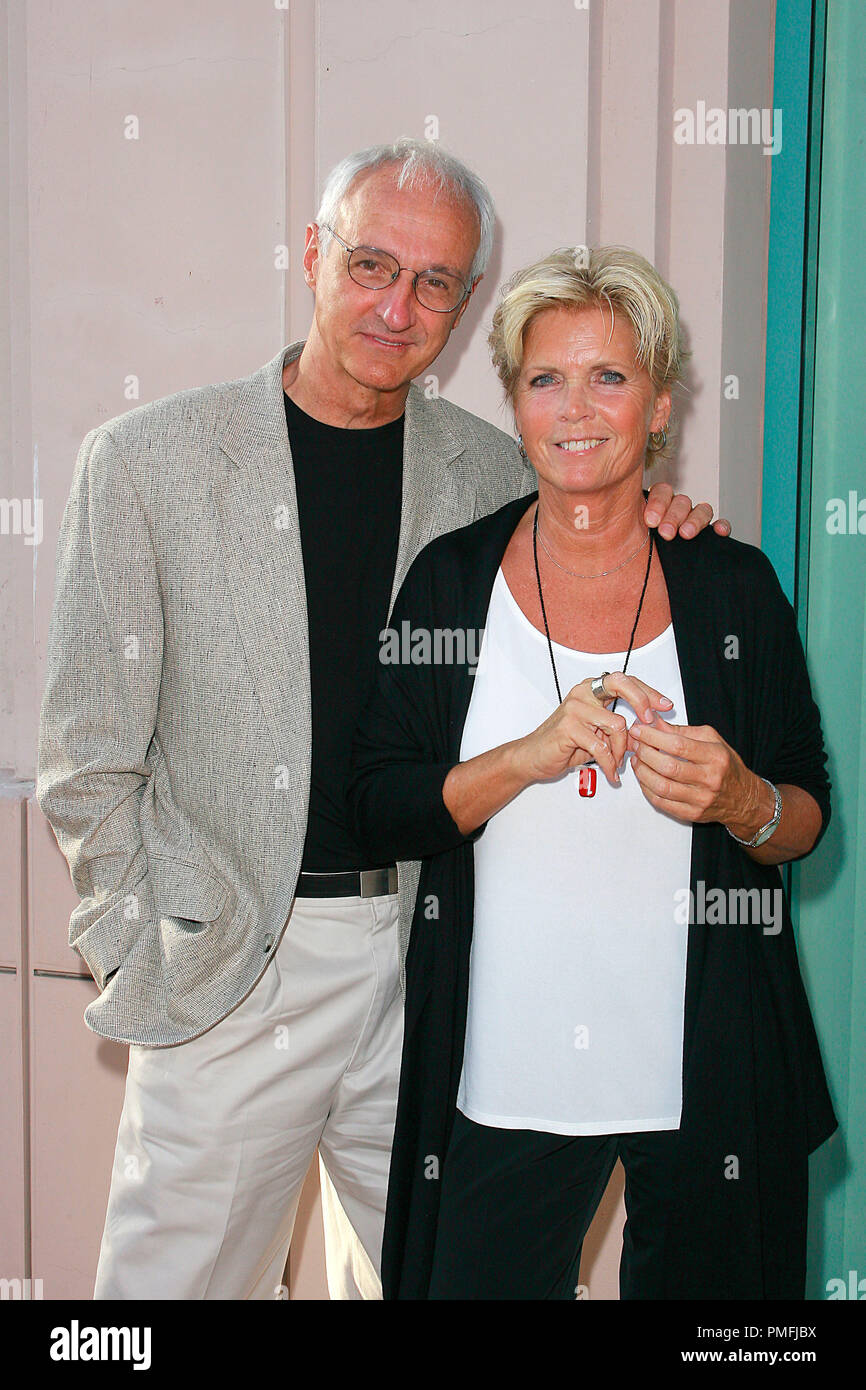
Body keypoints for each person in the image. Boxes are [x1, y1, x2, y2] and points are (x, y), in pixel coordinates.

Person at [36, 139, 724, 1302]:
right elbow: (84, 757)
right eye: (368, 264)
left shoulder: (495, 471)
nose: (396, 306)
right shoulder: (147, 463)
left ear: (463, 304)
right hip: (225, 964)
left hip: (428, 963)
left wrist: (652, 510)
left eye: (434, 282)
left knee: (441, 1283)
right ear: (311, 257)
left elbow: (598, 529)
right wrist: (141, 939)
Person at [347, 244, 836, 1300]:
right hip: (502, 1077)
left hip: (703, 1083)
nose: (576, 408)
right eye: (544, 378)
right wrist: (523, 758)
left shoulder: (730, 586)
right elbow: (377, 806)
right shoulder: (449, 584)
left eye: (608, 376)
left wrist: (743, 799)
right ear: (515, 404)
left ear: (657, 404)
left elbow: (805, 817)